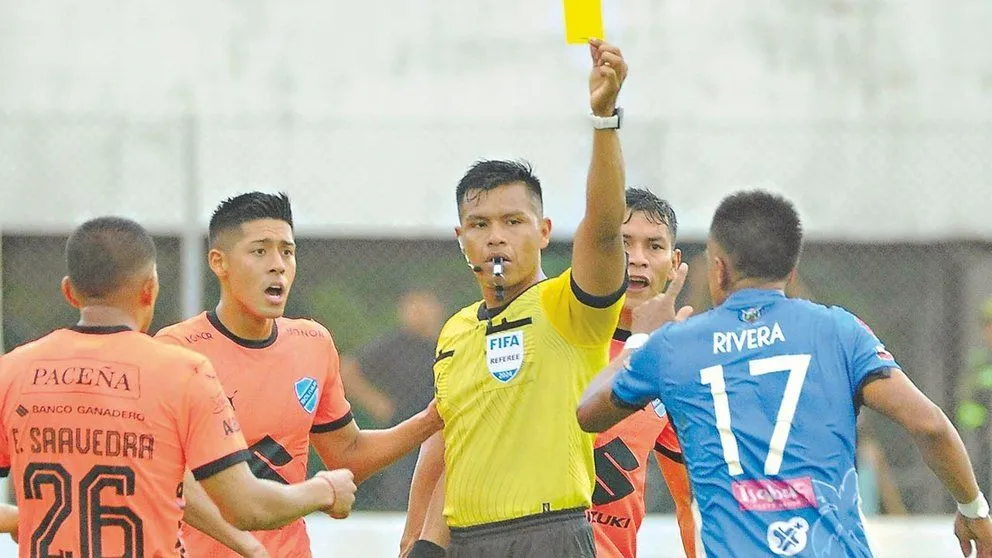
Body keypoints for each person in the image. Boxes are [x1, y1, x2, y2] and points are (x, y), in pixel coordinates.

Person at [577, 190, 992, 558]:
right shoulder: (839, 331)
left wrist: (640, 342)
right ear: (791, 272)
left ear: (717, 269)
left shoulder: (676, 348)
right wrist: (973, 508)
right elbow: (929, 424)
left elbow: (589, 414)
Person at [0, 217, 356, 558]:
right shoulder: (183, 372)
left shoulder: (13, 371)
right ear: (150, 289)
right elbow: (247, 506)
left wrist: (22, 519)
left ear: (69, 291)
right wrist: (324, 490)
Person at [402, 38, 630, 558]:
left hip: (550, 537)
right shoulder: (456, 331)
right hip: (464, 541)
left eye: (513, 221)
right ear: (461, 237)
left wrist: (604, 122)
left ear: (544, 231)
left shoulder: (568, 308)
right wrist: (423, 543)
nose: (496, 238)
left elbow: (602, 229)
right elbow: (456, 447)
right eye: (479, 224)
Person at [155, 193, 442, 558]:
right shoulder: (176, 350)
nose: (277, 265)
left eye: (287, 252)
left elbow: (348, 455)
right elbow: (168, 475)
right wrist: (249, 545)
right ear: (219, 262)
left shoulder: (312, 343)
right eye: (260, 251)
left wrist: (432, 418)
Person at [587, 188, 695, 557]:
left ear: (674, 262)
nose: (637, 259)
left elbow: (690, 503)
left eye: (654, 246)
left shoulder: (675, 370)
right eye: (623, 243)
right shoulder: (558, 333)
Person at [341, 289, 444, 510]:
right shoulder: (392, 345)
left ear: (437, 309)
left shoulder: (446, 342)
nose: (419, 311)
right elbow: (348, 369)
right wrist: (377, 404)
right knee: (402, 496)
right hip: (402, 430)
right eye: (413, 305)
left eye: (424, 304)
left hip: (442, 429)